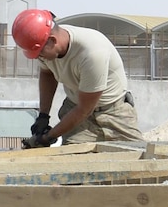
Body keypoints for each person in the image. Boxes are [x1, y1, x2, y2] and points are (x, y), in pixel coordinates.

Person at [11, 9, 143, 148]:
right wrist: (43, 115)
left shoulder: (92, 54)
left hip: (114, 112)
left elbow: (84, 109)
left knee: (139, 159)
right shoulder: (45, 46)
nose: (38, 57)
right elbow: (47, 73)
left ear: (52, 40)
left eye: (39, 53)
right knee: (74, 160)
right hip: (76, 109)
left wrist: (48, 137)